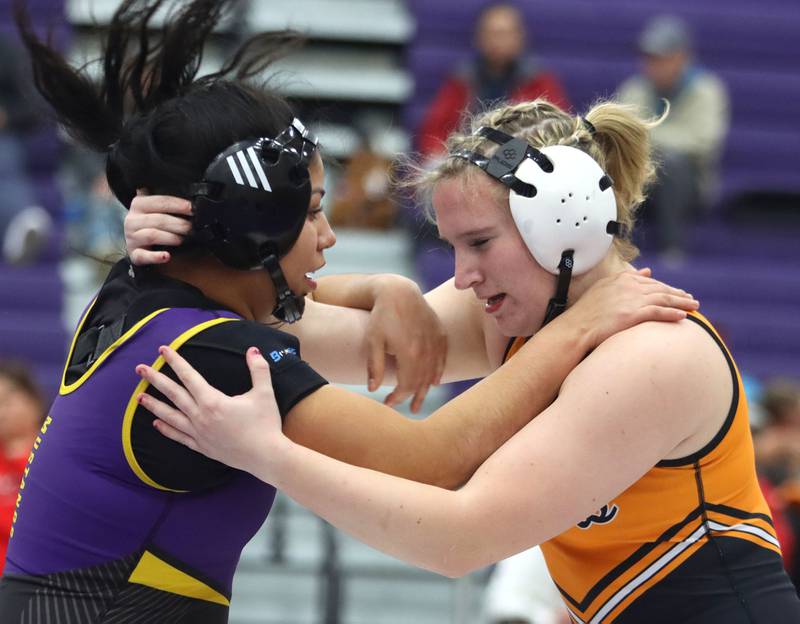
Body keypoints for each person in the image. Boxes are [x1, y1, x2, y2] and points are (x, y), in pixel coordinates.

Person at [0, 1, 694, 622]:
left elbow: (259, 289)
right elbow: (433, 460)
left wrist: (380, 287)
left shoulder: (135, 291)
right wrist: (581, 322)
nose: (330, 236)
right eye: (310, 214)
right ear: (249, 228)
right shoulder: (216, 360)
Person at [135, 97, 800, 623]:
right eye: (453, 246)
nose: (463, 277)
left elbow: (459, 539)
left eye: (480, 242)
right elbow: (292, 320)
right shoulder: (522, 310)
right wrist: (182, 257)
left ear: (566, 222)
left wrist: (267, 454)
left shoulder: (652, 352)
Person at [616, 15, 729, 258]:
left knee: (673, 162)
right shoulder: (635, 88)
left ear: (681, 57)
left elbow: (702, 142)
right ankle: (614, 247)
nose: (653, 65)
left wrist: (650, 135)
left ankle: (673, 248)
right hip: (641, 175)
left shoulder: (707, 90)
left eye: (661, 58)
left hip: (689, 183)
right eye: (649, 58)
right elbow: (621, 134)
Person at [416, 2, 569, 160]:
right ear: (478, 38)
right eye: (492, 33)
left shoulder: (539, 81)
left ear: (520, 37)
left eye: (505, 34)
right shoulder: (462, 79)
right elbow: (433, 133)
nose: (498, 41)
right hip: (467, 163)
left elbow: (556, 133)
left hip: (521, 163)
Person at [0, 362, 44, 573]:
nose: (2, 412)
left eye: (6, 401)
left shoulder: (53, 457)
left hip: (37, 577)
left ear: (33, 401)